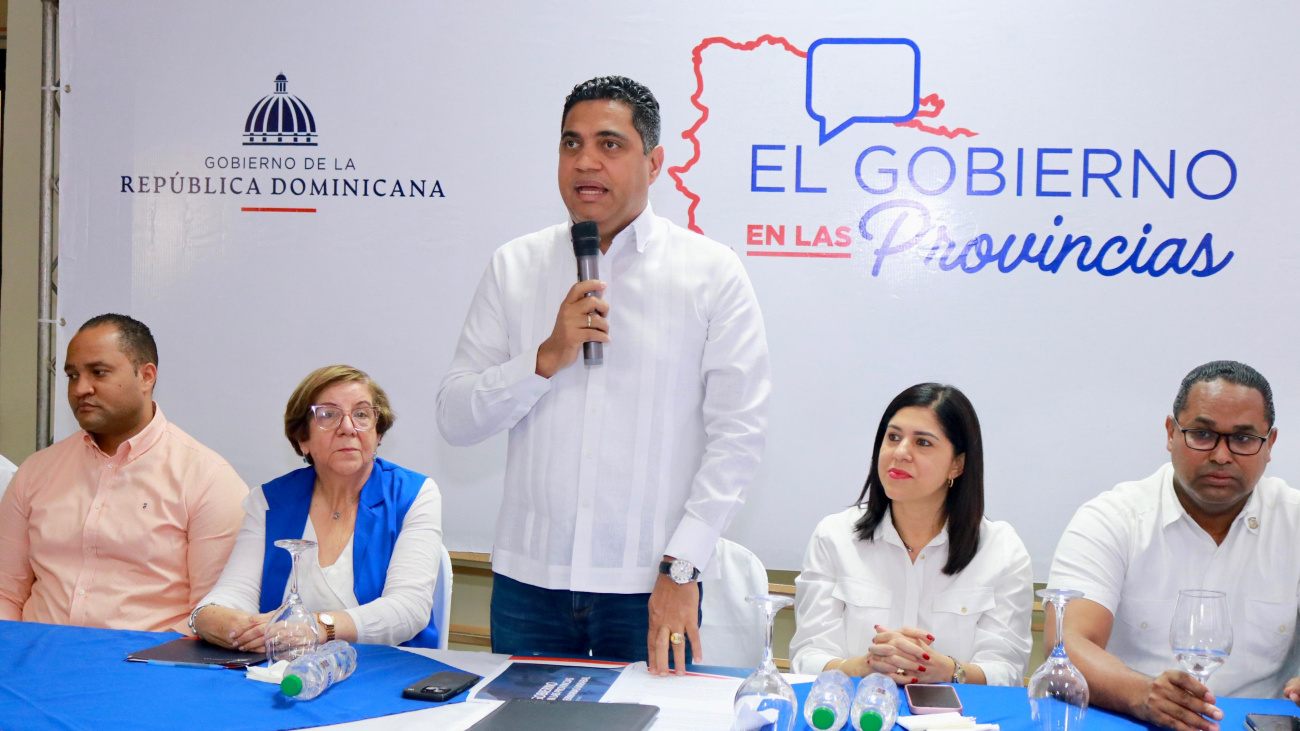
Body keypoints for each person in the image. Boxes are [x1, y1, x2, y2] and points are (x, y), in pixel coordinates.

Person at [436, 76, 770, 675]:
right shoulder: (515, 265)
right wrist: (543, 359)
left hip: (650, 585)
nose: (585, 162)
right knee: (522, 721)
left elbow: (738, 437)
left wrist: (682, 568)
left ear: (655, 162)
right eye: (571, 143)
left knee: (655, 718)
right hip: (528, 584)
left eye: (609, 144)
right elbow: (455, 418)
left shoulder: (711, 272)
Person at [1047, 360, 1300, 731]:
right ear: (1171, 433)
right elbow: (1067, 643)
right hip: (1131, 719)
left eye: (1244, 439)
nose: (1221, 455)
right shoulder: (1111, 518)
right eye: (1202, 434)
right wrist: (1142, 694)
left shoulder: (1294, 521)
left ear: (1270, 444)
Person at [0, 314, 247, 632]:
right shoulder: (36, 471)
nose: (80, 389)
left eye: (98, 372)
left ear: (146, 377)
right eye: (72, 375)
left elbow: (212, 614)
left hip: (149, 659)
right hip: (36, 655)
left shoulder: (207, 479)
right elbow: (6, 593)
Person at [790, 383, 1033, 687]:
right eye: (893, 437)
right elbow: (807, 655)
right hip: (859, 709)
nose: (901, 453)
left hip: (957, 712)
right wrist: (863, 666)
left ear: (957, 464)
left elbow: (1006, 671)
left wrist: (949, 670)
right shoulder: (835, 536)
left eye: (923, 443)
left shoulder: (1001, 550)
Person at [192, 365, 443, 649]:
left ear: (378, 433)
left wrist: (316, 627)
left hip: (386, 666)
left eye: (361, 414)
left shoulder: (414, 494)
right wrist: (219, 621)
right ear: (303, 439)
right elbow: (234, 593)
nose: (348, 428)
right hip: (283, 666)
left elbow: (409, 607)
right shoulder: (268, 501)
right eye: (328, 415)